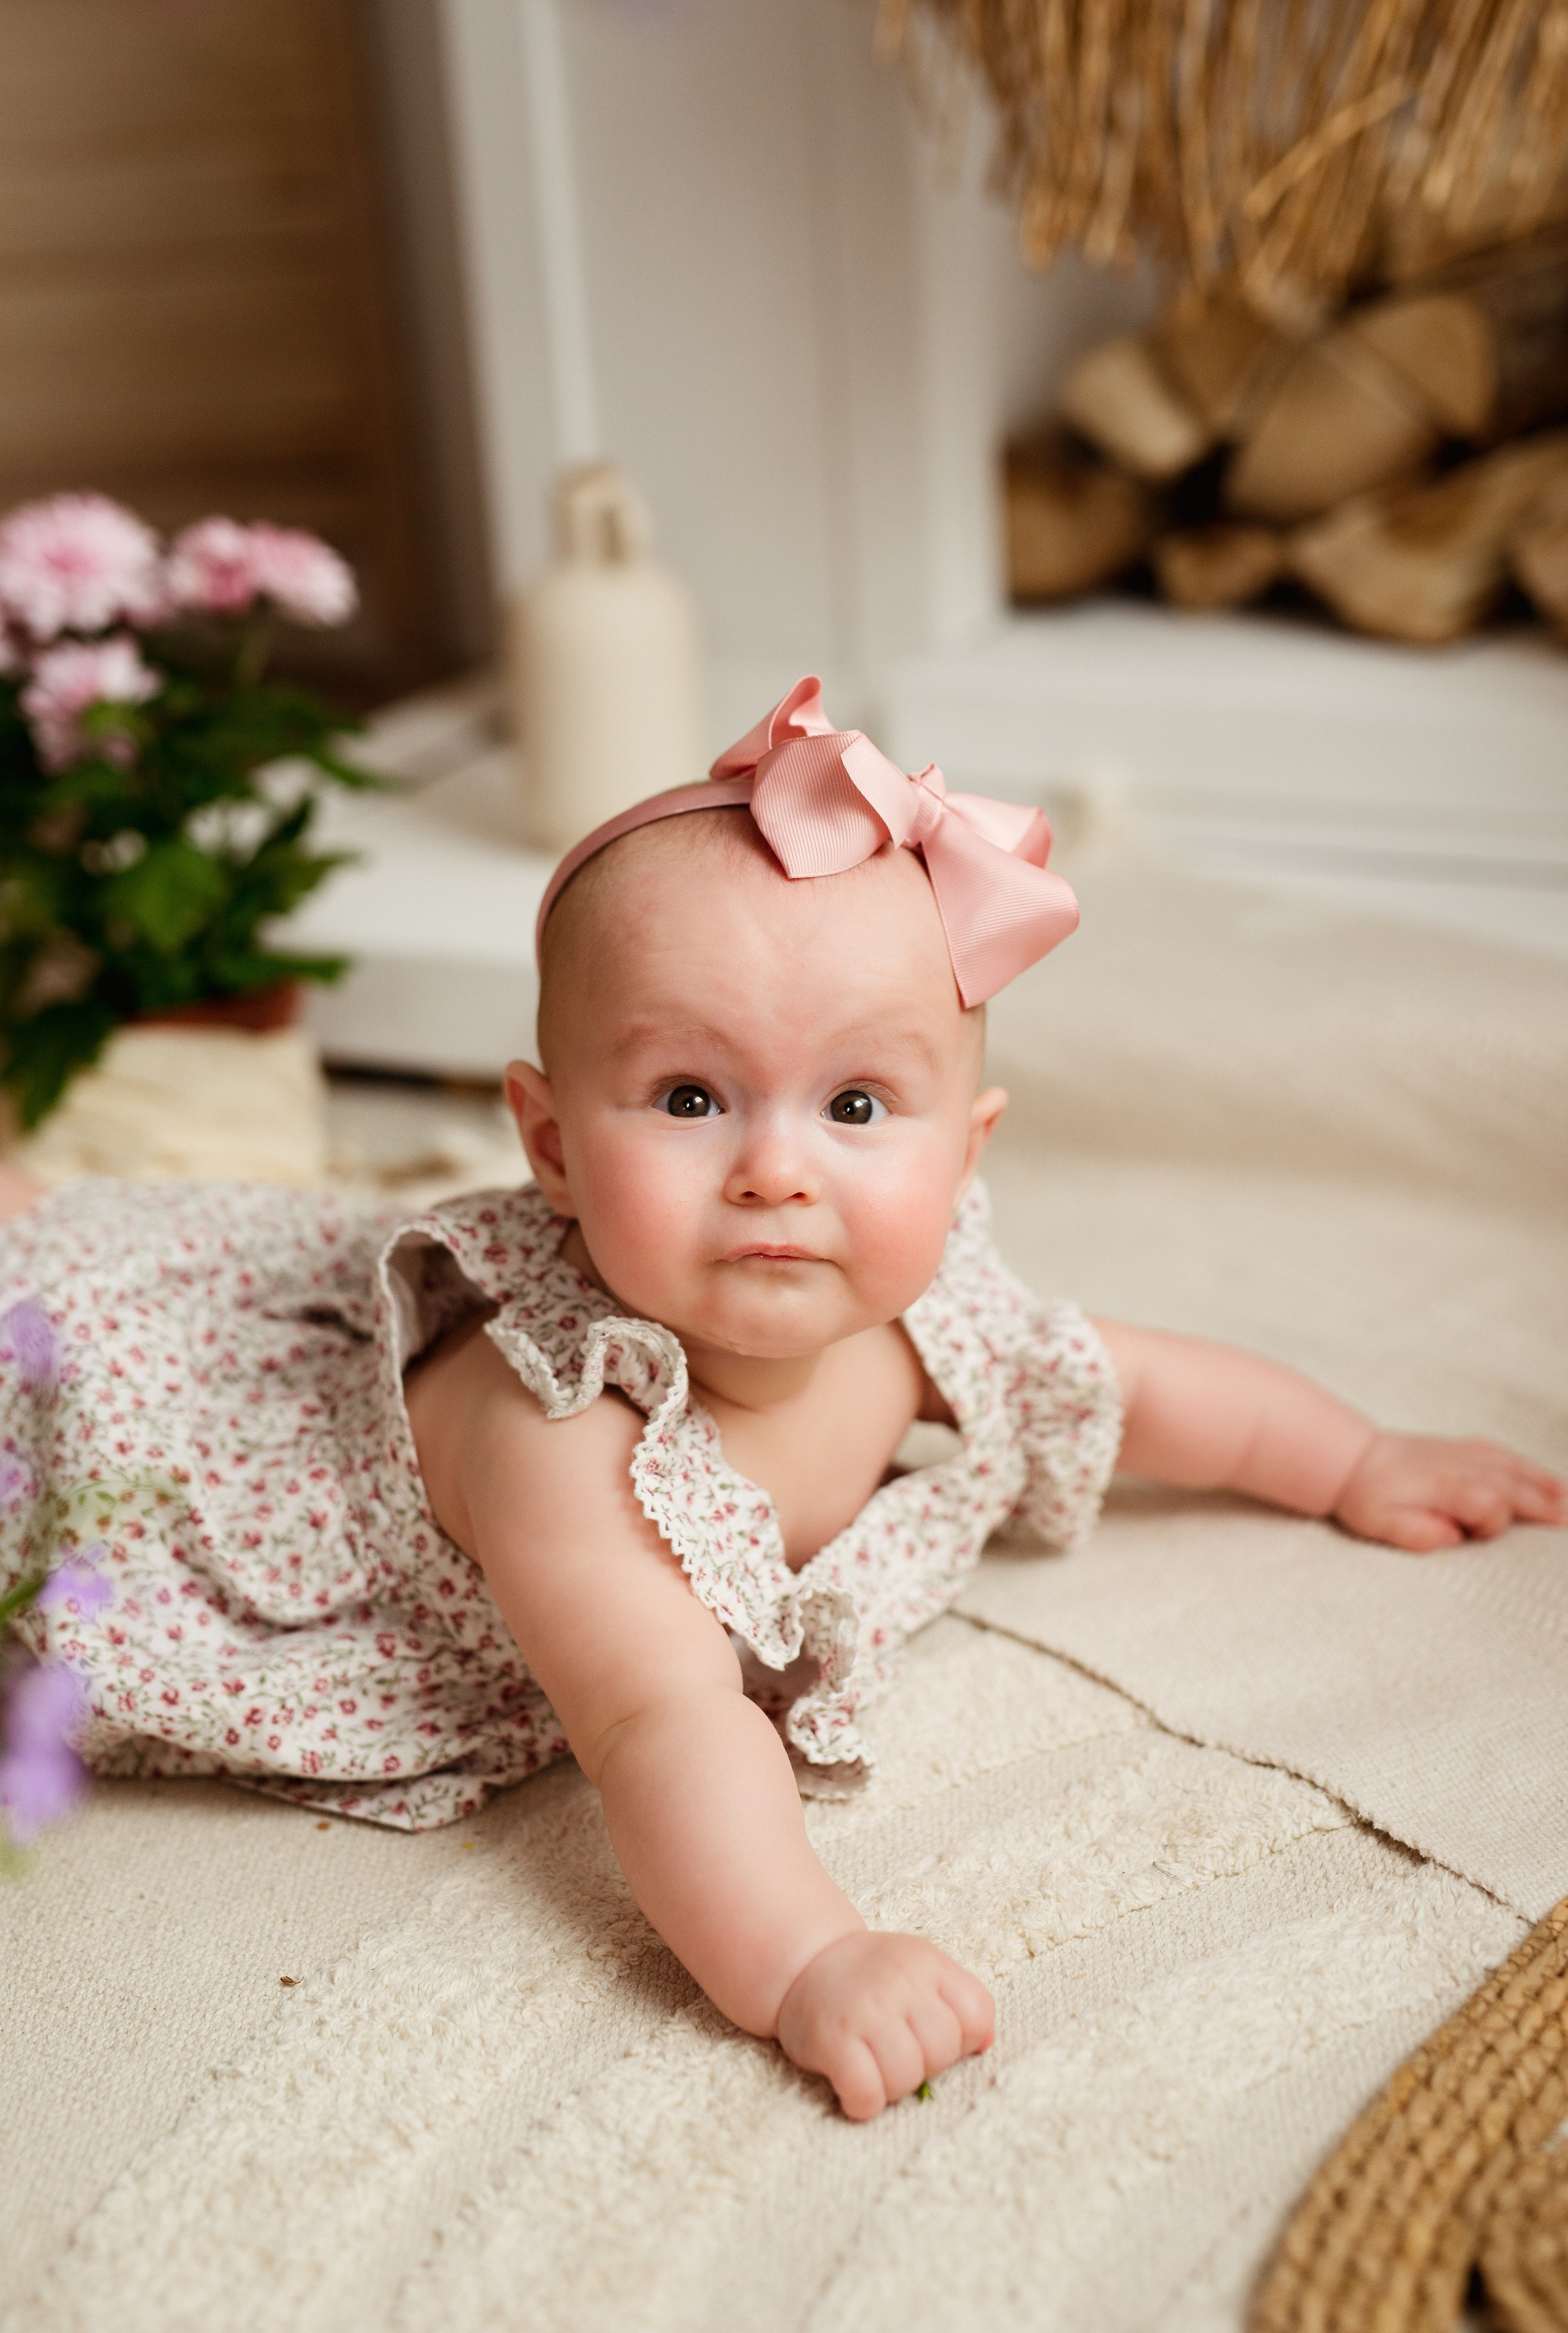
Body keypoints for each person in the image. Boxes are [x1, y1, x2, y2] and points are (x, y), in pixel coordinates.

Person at [1, 678, 1561, 2122]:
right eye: (688, 1097)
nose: (774, 1167)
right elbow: (659, 1722)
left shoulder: (921, 1312)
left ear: (965, 1150)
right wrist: (806, 1956)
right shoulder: (565, 1437)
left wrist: (1354, 1457)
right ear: (546, 1145)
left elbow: (1139, 1385)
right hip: (174, 1444)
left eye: (859, 1105)